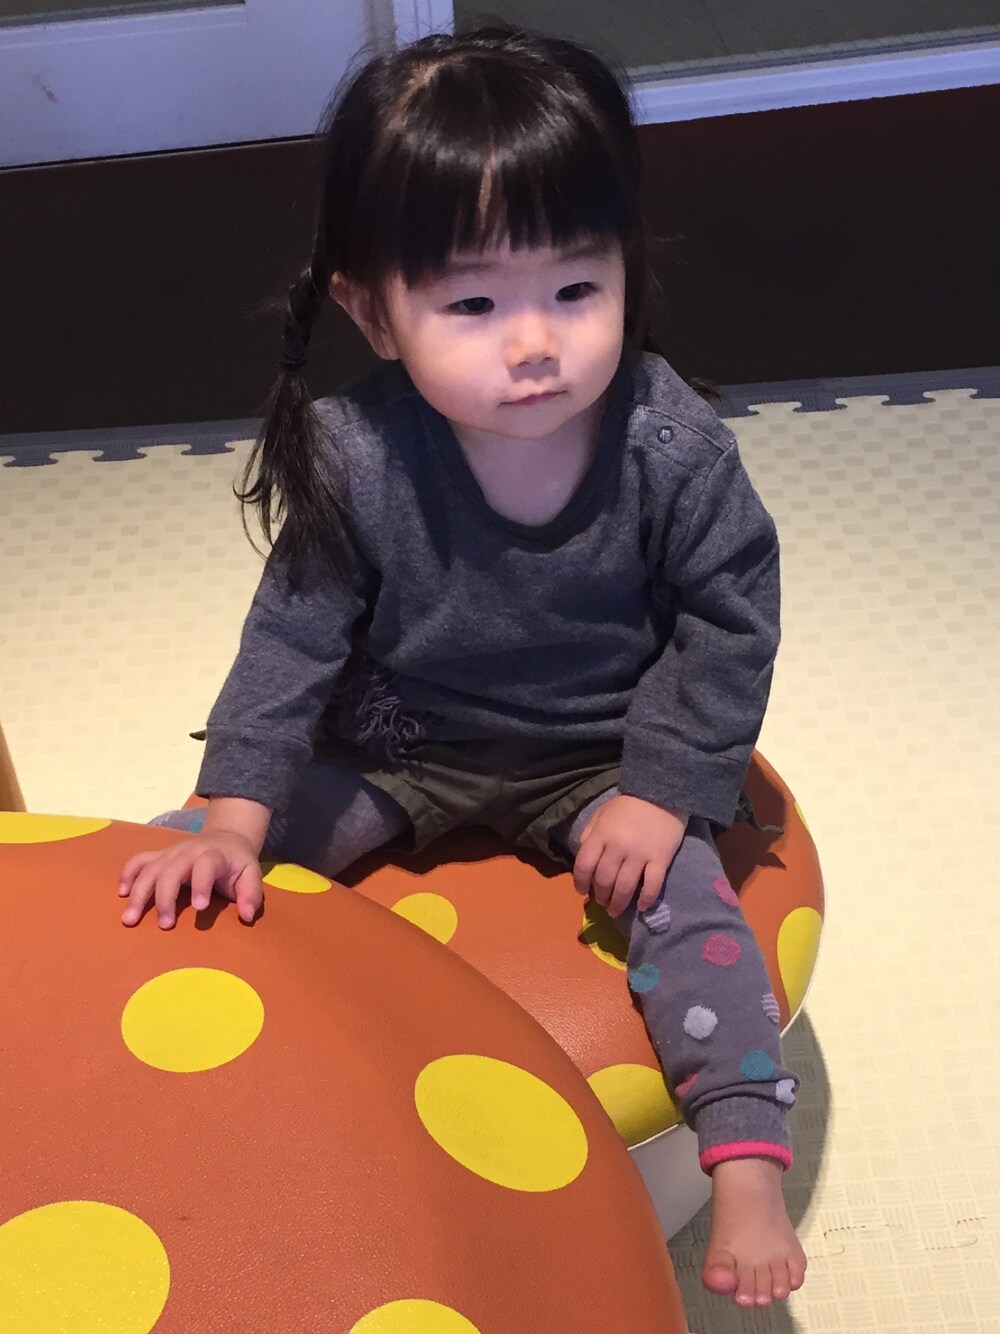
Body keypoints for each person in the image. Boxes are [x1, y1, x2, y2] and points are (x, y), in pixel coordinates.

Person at [117, 24, 806, 1308]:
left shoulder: (669, 445)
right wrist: (233, 817)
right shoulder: (357, 455)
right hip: (397, 741)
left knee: (692, 905)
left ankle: (746, 1150)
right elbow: (291, 639)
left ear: (626, 265)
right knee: (190, 863)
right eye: (475, 304)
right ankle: (109, 1069)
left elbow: (730, 618)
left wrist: (663, 788)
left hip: (598, 752)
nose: (533, 343)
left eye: (575, 287)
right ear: (373, 312)